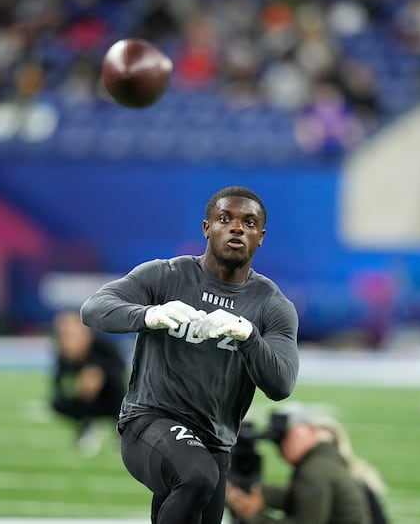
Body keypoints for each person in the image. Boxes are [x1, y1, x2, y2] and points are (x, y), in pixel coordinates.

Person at [80, 185, 300, 524]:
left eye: (249, 223)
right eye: (225, 219)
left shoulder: (271, 305)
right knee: (196, 476)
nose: (236, 228)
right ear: (206, 228)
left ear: (261, 237)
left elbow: (282, 384)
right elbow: (94, 308)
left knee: (196, 492)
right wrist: (149, 315)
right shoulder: (166, 275)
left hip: (216, 442)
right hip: (149, 421)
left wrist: (249, 337)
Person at [226, 404, 390, 524]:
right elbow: (302, 498)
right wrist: (262, 492)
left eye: (285, 436)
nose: (281, 447)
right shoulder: (326, 460)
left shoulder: (314, 470)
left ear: (309, 430)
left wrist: (253, 516)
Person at [50, 310, 126, 456]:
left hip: (111, 398)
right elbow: (58, 384)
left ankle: (121, 428)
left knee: (120, 398)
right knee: (57, 403)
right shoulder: (65, 353)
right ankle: (87, 424)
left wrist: (99, 374)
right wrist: (77, 384)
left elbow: (120, 373)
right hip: (86, 399)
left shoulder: (104, 346)